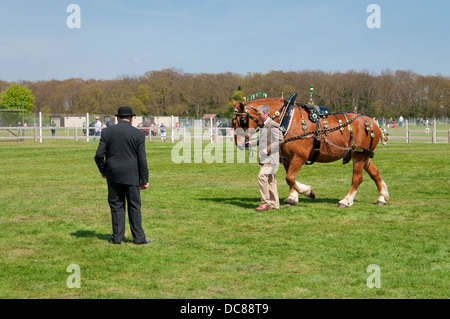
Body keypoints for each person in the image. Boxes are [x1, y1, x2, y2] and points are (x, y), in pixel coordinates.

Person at [94, 106, 150, 245]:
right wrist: (145, 179)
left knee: (116, 205)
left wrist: (103, 170)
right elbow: (142, 159)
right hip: (132, 174)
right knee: (134, 206)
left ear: (118, 118)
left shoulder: (107, 132)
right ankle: (138, 237)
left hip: (113, 174)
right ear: (131, 118)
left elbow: (98, 155)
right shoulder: (138, 134)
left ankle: (117, 237)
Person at [246, 105, 284, 211]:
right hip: (266, 158)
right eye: (257, 114)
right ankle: (274, 205)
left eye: (260, 114)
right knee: (270, 181)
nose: (258, 116)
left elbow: (280, 140)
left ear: (266, 113)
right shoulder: (264, 125)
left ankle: (265, 203)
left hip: (270, 157)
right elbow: (260, 139)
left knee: (261, 177)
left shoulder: (273, 125)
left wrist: (267, 149)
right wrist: (251, 143)